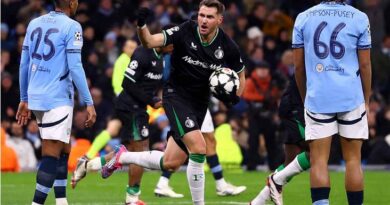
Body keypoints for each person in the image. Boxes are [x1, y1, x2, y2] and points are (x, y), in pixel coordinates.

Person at [73, 1, 245, 204]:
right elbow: (150, 41)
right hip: (176, 97)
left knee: (170, 162)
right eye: (201, 15)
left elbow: (241, 74)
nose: (203, 20)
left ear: (219, 20)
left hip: (199, 104)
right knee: (199, 148)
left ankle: (121, 158)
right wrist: (141, 26)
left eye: (209, 16)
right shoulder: (184, 30)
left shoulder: (226, 45)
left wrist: (237, 96)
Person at [16, 0, 96, 204]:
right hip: (57, 97)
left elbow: (24, 63)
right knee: (51, 151)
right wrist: (89, 101)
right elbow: (76, 67)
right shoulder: (72, 26)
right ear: (71, 3)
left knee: (64, 147)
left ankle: (61, 201)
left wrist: (24, 98)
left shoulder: (34, 23)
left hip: (36, 95)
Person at [72, 44, 173, 205]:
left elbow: (145, 86)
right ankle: (132, 198)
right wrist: (151, 100)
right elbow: (127, 83)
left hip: (134, 106)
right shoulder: (141, 54)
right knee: (140, 152)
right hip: (130, 106)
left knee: (131, 151)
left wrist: (153, 98)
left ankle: (88, 165)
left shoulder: (161, 59)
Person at [293, 1, 371, 205]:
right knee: (353, 160)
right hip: (351, 97)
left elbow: (298, 67)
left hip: (318, 97)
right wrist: (367, 99)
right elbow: (364, 64)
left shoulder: (303, 17)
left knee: (319, 161)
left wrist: (305, 97)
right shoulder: (360, 17)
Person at [155, 109, 247, 198]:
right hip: (191, 102)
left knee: (208, 142)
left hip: (196, 102)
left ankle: (221, 184)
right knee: (186, 143)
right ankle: (221, 185)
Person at [250, 76, 310, 205]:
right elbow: (299, 69)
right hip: (298, 107)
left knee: (290, 163)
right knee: (315, 153)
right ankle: (275, 180)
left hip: (299, 106)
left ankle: (258, 201)